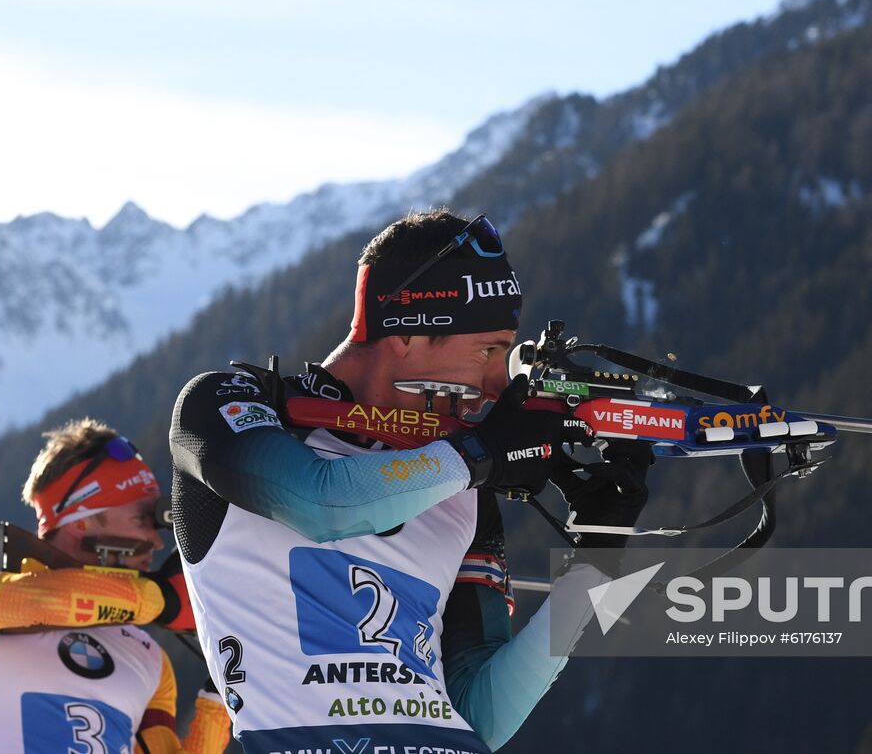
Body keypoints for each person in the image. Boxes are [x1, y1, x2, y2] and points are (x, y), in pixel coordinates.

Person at [170, 210, 651, 753]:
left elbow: (480, 714)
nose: (498, 384)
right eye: (488, 350)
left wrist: (596, 558)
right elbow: (322, 502)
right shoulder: (230, 405)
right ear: (406, 333)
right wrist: (482, 453)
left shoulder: (461, 483)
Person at [0, 418, 233, 753]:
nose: (156, 542)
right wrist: (164, 600)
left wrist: (221, 689)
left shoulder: (149, 657)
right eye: (143, 518)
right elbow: (39, 600)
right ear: (82, 520)